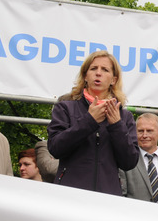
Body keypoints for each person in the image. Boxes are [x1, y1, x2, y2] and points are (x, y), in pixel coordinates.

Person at [47, 50, 139, 195]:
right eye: (93, 68)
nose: (98, 73)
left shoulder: (124, 116)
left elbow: (130, 162)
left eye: (105, 70)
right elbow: (55, 148)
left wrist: (116, 126)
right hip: (69, 194)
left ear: (113, 80)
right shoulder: (65, 107)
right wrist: (89, 121)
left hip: (107, 197)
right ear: (85, 76)